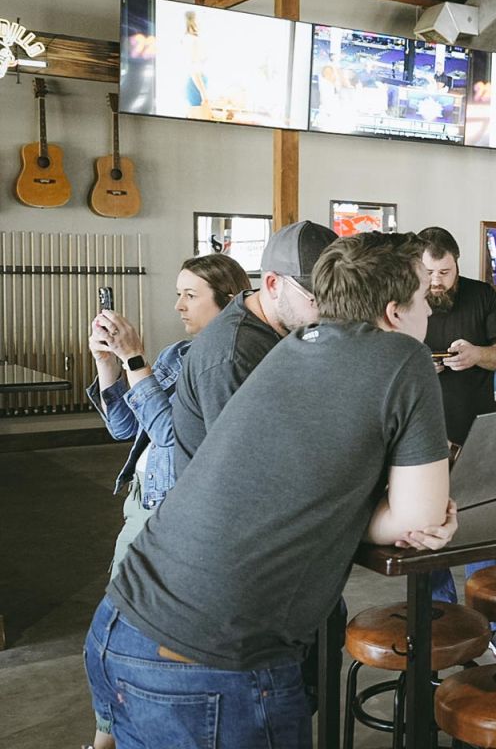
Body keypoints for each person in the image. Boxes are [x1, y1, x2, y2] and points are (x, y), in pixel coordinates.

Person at [85, 232, 458, 748]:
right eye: (423, 299)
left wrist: (389, 515)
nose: (431, 311)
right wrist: (418, 515)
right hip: (212, 658)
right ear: (395, 313)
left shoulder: (290, 348)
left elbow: (291, 487)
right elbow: (420, 518)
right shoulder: (404, 358)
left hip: (122, 621)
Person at [83, 253, 250, 749]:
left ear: (228, 300)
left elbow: (176, 443)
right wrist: (109, 365)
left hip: (167, 512)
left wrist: (136, 361)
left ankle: (109, 740)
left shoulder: (228, 363)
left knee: (124, 633)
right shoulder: (181, 352)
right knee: (117, 632)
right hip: (139, 503)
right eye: (178, 293)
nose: (178, 305)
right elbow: (125, 427)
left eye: (190, 295)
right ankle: (109, 736)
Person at [417, 226, 496, 658]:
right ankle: (444, 626)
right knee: (429, 534)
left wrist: (478, 354)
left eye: (445, 272)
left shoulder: (481, 296)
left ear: (457, 264)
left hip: (476, 435)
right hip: (419, 440)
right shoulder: (405, 297)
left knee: (484, 532)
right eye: (429, 273)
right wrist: (418, 364)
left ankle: (495, 625)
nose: (437, 282)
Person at [172, 221, 336, 478]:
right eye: (316, 299)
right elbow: (245, 469)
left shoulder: (285, 325)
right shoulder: (232, 356)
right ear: (272, 284)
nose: (329, 313)